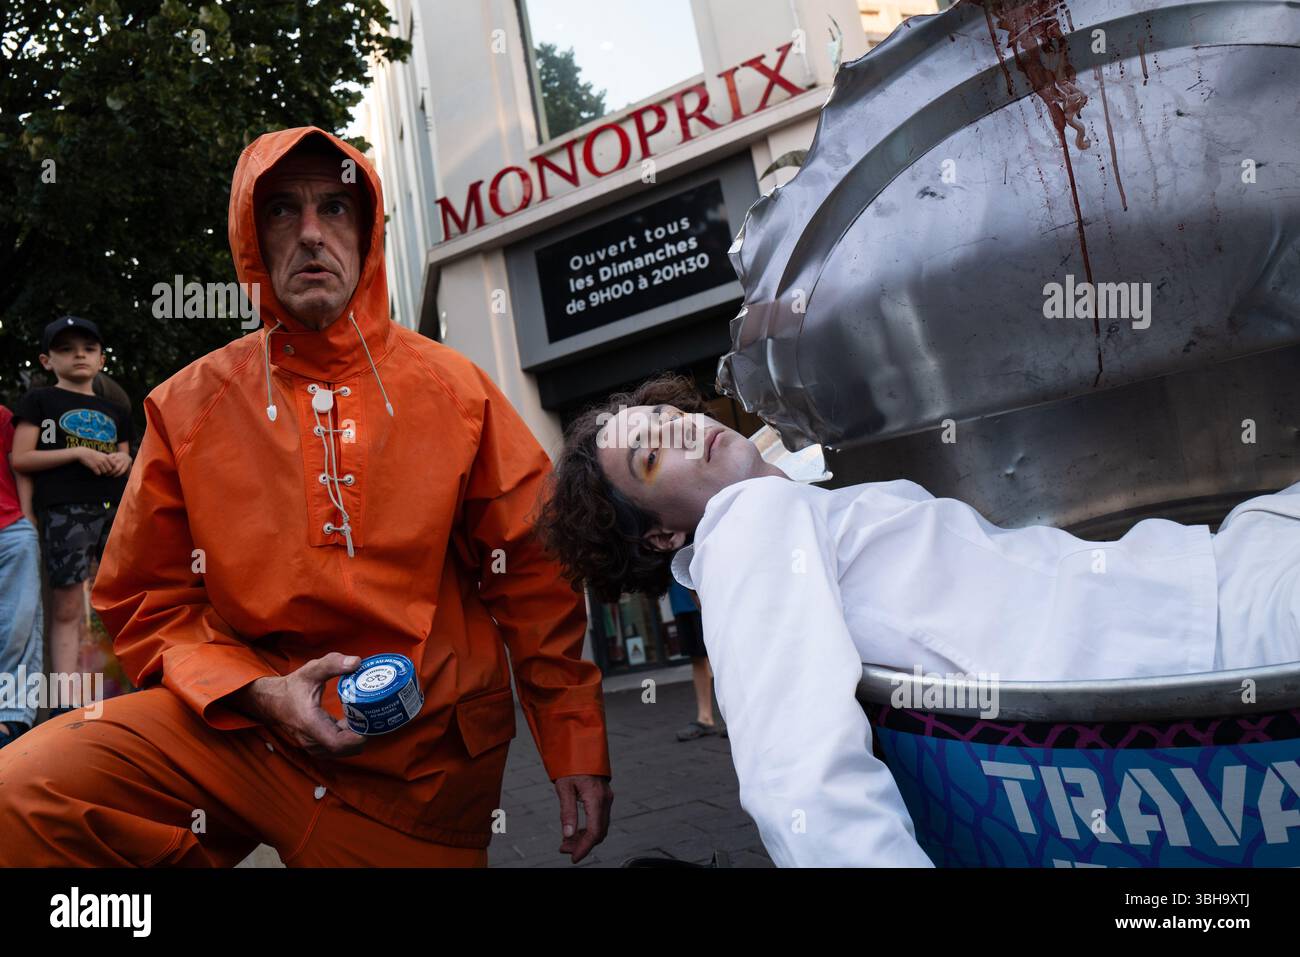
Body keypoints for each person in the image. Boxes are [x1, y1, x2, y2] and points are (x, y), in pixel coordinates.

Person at [0, 127, 613, 867]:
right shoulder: (186, 407)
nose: (312, 232)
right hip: (243, 740)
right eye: (283, 210)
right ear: (251, 241)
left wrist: (573, 736)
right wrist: (257, 691)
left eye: (335, 207)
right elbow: (143, 598)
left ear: (367, 233)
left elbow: (534, 576)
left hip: (415, 775)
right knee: (24, 793)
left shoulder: (459, 393)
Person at [535, 373, 1300, 867]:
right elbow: (797, 782)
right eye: (647, 458)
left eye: (662, 414)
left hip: (1193, 588)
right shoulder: (745, 526)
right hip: (1194, 626)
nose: (673, 429)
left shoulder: (784, 493)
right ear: (665, 535)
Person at [10, 316, 133, 714]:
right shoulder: (40, 402)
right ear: (47, 360)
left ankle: (135, 692)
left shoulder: (116, 409)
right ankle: (63, 704)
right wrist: (78, 453)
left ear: (100, 359)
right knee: (65, 607)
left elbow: (128, 456)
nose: (78, 354)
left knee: (127, 600)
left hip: (116, 511)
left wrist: (120, 459)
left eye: (88, 348)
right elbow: (21, 457)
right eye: (65, 348)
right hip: (66, 510)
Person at [0, 403, 42, 747]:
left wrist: (27, 518)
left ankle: (10, 718)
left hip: (10, 525)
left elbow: (20, 467)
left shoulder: (2, 415)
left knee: (19, 623)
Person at [667, 579, 726, 741]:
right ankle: (705, 718)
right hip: (680, 600)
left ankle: (736, 714)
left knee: (725, 653)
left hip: (706, 593)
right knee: (697, 657)